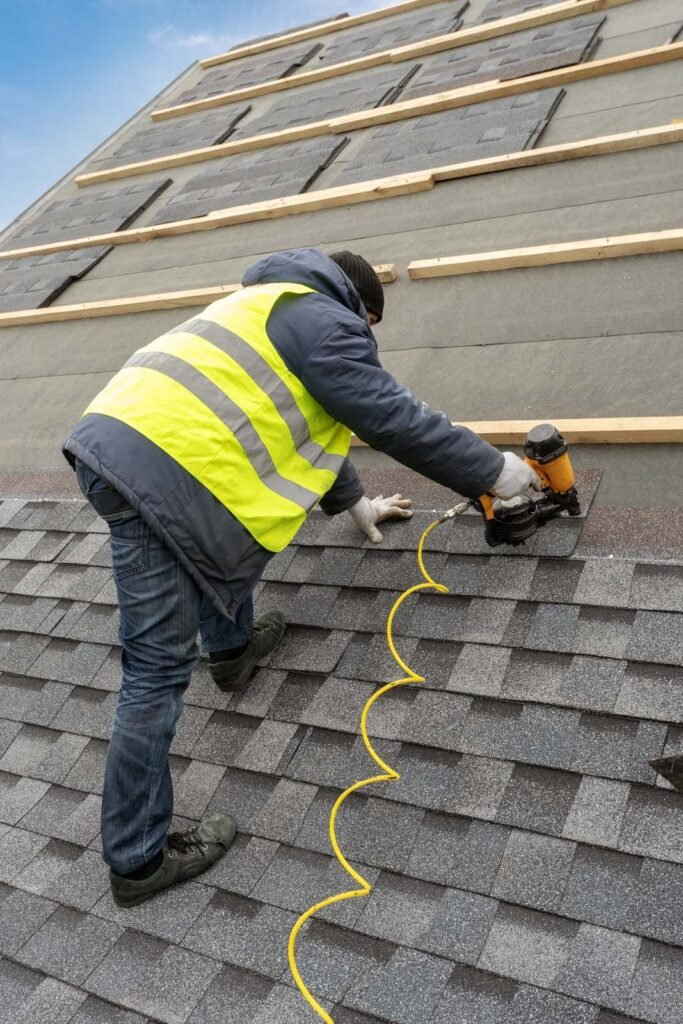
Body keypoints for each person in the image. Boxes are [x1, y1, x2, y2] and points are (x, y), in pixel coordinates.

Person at [63, 247, 539, 907]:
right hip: (159, 472)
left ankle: (232, 652)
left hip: (122, 450)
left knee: (215, 538)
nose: (367, 343)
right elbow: (386, 413)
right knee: (154, 672)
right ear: (361, 307)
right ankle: (137, 860)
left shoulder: (266, 308)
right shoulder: (324, 319)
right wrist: (496, 474)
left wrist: (355, 502)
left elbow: (314, 415)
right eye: (370, 330)